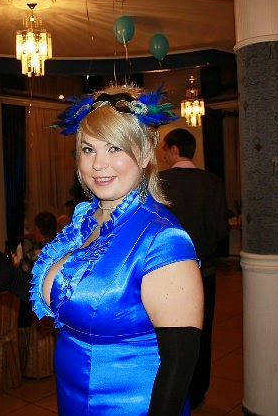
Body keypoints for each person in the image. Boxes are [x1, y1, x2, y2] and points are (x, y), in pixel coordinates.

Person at [31, 85, 203, 415]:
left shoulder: (162, 238)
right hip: (72, 396)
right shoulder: (86, 220)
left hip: (132, 405)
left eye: (114, 148)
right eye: (88, 149)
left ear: (145, 154)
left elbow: (180, 362)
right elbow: (74, 298)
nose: (98, 164)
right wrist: (10, 279)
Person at [160, 128, 229, 409]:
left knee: (165, 333)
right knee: (201, 332)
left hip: (164, 272)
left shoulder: (159, 182)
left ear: (175, 150)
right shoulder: (213, 182)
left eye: (165, 150)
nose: (164, 156)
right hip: (204, 272)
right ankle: (197, 391)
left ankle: (170, 392)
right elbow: (220, 230)